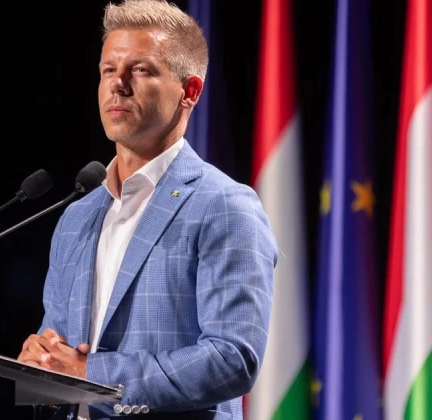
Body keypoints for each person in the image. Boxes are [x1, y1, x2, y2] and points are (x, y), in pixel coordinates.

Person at [17, 1, 278, 418]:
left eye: (140, 70)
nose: (117, 85)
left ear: (190, 92)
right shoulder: (76, 218)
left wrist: (91, 374)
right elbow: (59, 351)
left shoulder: (224, 206)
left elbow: (232, 358)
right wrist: (41, 361)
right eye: (108, 70)